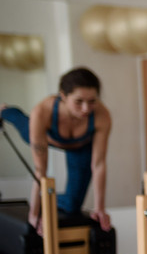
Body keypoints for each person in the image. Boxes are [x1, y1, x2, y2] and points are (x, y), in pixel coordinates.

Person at [1, 67, 112, 232]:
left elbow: (99, 164)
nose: (86, 109)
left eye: (92, 101)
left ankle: (48, 200)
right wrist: (34, 214)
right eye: (79, 101)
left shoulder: (102, 115)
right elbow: (41, 169)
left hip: (79, 147)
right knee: (24, 126)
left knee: (73, 205)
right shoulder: (42, 112)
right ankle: (5, 110)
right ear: (63, 96)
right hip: (47, 137)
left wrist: (100, 209)